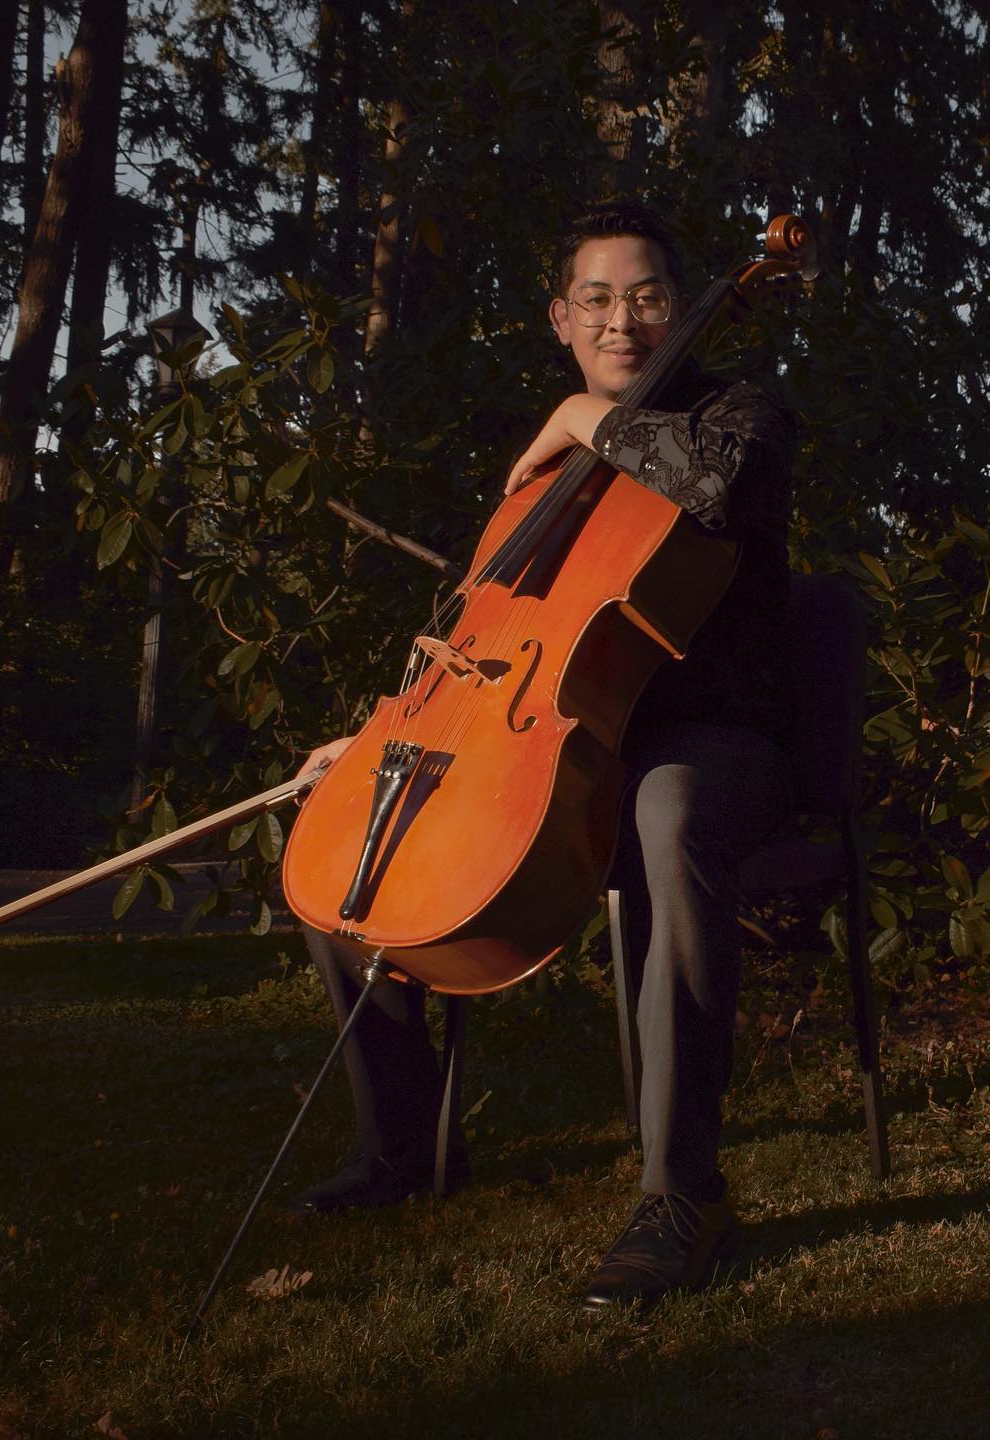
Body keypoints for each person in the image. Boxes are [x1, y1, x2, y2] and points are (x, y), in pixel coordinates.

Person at [289, 202, 797, 1309]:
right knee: (356, 828)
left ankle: (682, 1195)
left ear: (684, 306)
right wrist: (391, 733)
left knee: (668, 817)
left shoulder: (739, 415)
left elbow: (712, 493)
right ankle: (406, 1148)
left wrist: (581, 416)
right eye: (599, 301)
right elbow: (484, 632)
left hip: (714, 746)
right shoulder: (546, 472)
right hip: (554, 741)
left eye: (649, 295)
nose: (625, 321)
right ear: (561, 316)